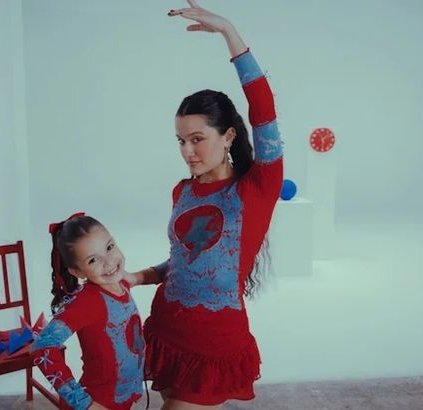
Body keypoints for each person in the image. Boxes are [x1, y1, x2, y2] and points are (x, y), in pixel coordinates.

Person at [125, 1, 284, 408]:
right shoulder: (182, 191)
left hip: (213, 345)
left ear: (228, 136)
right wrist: (138, 277)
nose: (187, 151)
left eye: (198, 139)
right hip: (166, 331)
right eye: (181, 140)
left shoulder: (257, 189)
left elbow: (264, 111)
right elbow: (183, 260)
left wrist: (230, 33)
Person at [31, 213, 145, 410]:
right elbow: (42, 346)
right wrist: (85, 404)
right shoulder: (87, 302)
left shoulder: (122, 283)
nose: (109, 263)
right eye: (93, 260)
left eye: (109, 247)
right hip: (99, 402)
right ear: (77, 272)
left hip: (123, 398)